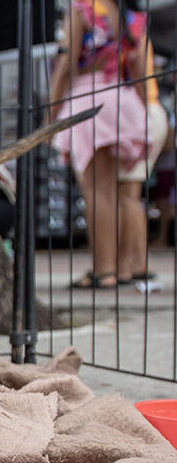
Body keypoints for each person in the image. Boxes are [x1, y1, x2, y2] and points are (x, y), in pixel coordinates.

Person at [48, 0, 149, 289]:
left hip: (88, 98)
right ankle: (117, 268)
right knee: (114, 191)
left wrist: (51, 110)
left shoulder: (83, 8)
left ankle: (103, 271)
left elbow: (67, 63)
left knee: (95, 190)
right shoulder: (129, 16)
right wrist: (140, 111)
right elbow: (139, 70)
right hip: (121, 98)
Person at [115, 43, 169, 286]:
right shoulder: (132, 29)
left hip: (140, 112)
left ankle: (132, 266)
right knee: (127, 195)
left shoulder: (130, 30)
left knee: (127, 195)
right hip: (145, 111)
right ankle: (129, 264)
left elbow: (138, 80)